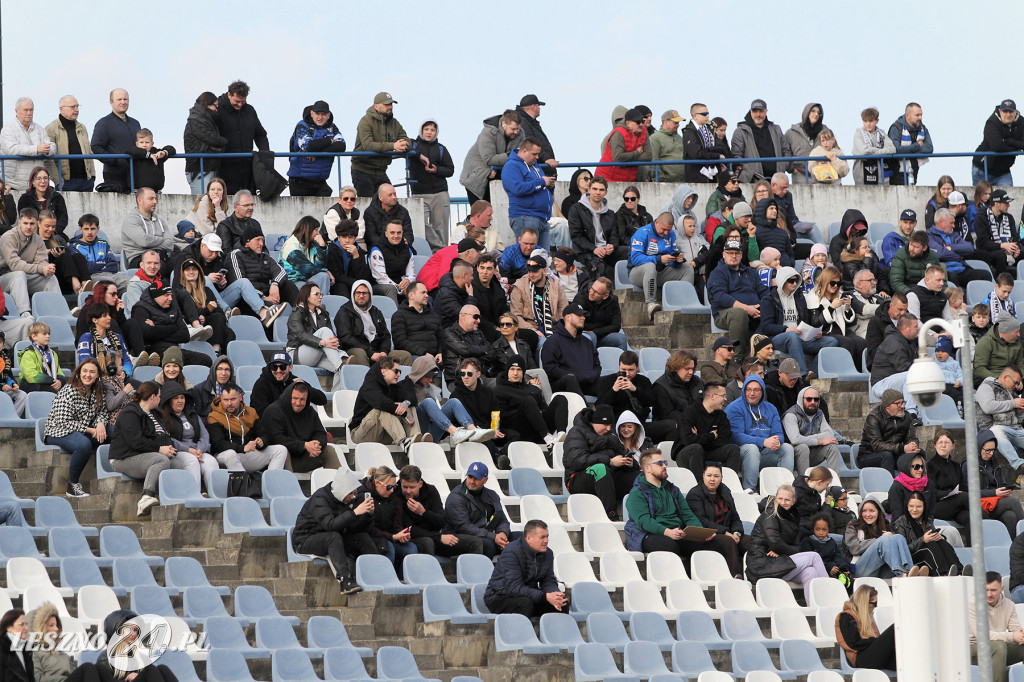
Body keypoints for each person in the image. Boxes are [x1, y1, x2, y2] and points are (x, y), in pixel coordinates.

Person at [624, 449, 718, 558]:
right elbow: (644, 522)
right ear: (647, 468)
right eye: (659, 463)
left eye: (665, 463)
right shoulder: (637, 493)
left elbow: (687, 515)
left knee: (711, 545)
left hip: (676, 532)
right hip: (648, 534)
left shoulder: (673, 490)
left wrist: (700, 533)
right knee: (669, 546)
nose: (664, 466)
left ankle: (693, 569)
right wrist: (668, 532)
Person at [292, 468, 373, 594]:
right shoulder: (320, 498)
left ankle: (376, 574)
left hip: (330, 536)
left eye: (354, 493)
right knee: (333, 537)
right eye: (350, 493)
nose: (353, 497)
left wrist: (367, 515)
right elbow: (330, 525)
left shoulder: (344, 500)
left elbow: (352, 528)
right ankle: (345, 581)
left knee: (362, 537)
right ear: (342, 490)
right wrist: (354, 513)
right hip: (305, 540)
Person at [43, 359, 109, 499]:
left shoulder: (98, 391)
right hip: (58, 431)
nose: (88, 375)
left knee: (114, 432)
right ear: (79, 372)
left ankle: (114, 472)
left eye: (92, 372)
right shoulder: (69, 390)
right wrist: (91, 430)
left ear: (97, 375)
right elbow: (63, 421)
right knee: (83, 444)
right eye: (85, 371)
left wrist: (100, 423)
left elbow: (103, 411)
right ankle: (72, 486)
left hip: (82, 431)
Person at [108, 381, 176, 516]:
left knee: (177, 462)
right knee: (161, 460)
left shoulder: (152, 413)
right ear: (152, 397)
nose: (160, 400)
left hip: (141, 454)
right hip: (122, 458)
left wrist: (166, 447)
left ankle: (178, 496)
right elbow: (136, 442)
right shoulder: (130, 413)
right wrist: (159, 449)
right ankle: (146, 497)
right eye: (159, 396)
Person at [745, 483, 828, 588]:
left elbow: (797, 547)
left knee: (810, 572)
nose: (783, 502)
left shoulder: (792, 517)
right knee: (814, 557)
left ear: (793, 501)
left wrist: (780, 552)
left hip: (781, 562)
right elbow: (775, 543)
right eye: (780, 498)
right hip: (763, 566)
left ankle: (817, 599)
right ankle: (829, 591)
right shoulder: (769, 514)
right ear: (775, 498)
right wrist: (781, 550)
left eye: (787, 500)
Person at [758, 266, 837, 374]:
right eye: (791, 281)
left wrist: (812, 332)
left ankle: (811, 373)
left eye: (796, 280)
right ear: (782, 281)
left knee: (832, 342)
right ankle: (802, 374)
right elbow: (766, 326)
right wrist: (786, 329)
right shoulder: (769, 299)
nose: (794, 283)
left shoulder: (799, 297)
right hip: (778, 338)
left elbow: (805, 321)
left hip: (800, 337)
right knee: (792, 335)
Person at [725, 374, 795, 492]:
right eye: (748, 389)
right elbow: (735, 436)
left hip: (764, 453)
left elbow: (779, 433)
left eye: (756, 390)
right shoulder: (735, 408)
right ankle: (749, 490)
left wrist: (777, 441)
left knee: (787, 448)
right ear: (744, 390)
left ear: (762, 391)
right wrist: (763, 442)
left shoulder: (771, 408)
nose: (752, 393)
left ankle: (785, 490)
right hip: (742, 454)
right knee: (752, 449)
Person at [399, 356, 491, 446]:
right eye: (428, 376)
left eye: (433, 376)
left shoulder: (430, 388)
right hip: (416, 432)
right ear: (419, 373)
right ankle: (455, 432)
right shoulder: (405, 386)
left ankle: (474, 431)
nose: (431, 380)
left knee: (453, 402)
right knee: (428, 402)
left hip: (432, 434)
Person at [484, 519, 565, 617]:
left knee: (562, 605)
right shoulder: (511, 552)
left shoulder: (547, 553)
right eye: (542, 537)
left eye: (547, 536)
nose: (546, 541)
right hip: (499, 596)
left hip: (527, 595)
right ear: (529, 538)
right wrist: (545, 596)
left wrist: (555, 594)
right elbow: (514, 588)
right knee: (525, 604)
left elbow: (548, 580)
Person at [398, 465, 484, 558]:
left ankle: (473, 568)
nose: (408, 491)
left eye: (412, 487)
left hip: (435, 536)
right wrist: (439, 537)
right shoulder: (396, 495)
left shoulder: (430, 491)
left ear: (420, 484)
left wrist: (424, 513)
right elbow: (409, 529)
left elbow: (442, 521)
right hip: (413, 539)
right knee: (427, 542)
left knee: (475, 542)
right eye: (405, 487)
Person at [563, 405, 631, 520]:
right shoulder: (576, 432)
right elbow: (577, 460)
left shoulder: (611, 435)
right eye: (605, 424)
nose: (608, 428)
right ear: (594, 422)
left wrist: (628, 463)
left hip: (607, 478)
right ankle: (611, 514)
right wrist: (610, 461)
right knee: (601, 468)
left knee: (640, 476)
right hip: (576, 479)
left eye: (610, 425)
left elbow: (620, 454)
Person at [686, 462, 750, 579]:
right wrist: (725, 532)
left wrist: (737, 532)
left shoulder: (725, 491)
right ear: (703, 476)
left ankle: (756, 574)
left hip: (728, 533)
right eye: (709, 475)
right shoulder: (695, 494)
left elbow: (735, 516)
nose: (712, 479)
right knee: (728, 541)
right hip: (708, 534)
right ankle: (735, 576)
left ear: (721, 478)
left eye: (716, 476)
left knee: (753, 541)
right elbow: (701, 520)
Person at [260, 381, 341, 472]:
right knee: (282, 451)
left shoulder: (310, 411)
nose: (298, 403)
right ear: (288, 396)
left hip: (303, 458)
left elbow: (320, 433)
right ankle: (286, 481)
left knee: (328, 450)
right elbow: (276, 439)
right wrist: (304, 445)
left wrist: (317, 445)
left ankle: (339, 480)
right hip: (278, 459)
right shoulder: (274, 411)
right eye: (295, 398)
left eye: (302, 399)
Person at [206, 382, 287, 472]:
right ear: (221, 399)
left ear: (240, 397)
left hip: (247, 454)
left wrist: (261, 441)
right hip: (224, 456)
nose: (229, 403)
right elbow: (218, 444)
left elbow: (264, 434)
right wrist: (242, 448)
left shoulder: (251, 412)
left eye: (233, 399)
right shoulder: (214, 416)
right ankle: (243, 480)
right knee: (231, 454)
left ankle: (271, 479)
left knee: (281, 449)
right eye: (226, 400)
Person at [594, 351, 674, 442]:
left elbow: (652, 401)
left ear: (637, 367)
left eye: (631, 370)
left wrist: (635, 390)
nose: (627, 373)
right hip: (616, 427)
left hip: (639, 426)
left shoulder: (643, 381)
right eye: (623, 370)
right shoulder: (606, 381)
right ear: (619, 366)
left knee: (672, 425)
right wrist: (613, 390)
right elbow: (599, 406)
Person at [349, 357, 423, 449]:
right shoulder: (369, 385)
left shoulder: (391, 386)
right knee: (382, 409)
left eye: (400, 372)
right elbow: (381, 402)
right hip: (360, 435)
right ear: (383, 371)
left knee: (407, 406)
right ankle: (403, 441)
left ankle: (414, 439)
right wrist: (404, 414)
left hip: (381, 434)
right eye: (396, 371)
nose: (399, 374)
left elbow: (411, 395)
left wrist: (405, 403)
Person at [131, 284, 212, 368]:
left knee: (206, 360)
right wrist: (174, 327)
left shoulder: (172, 307)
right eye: (166, 295)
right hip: (155, 352)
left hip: (174, 350)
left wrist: (156, 327)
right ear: (156, 296)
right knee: (172, 363)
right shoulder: (141, 308)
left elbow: (185, 335)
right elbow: (148, 333)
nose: (170, 298)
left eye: (171, 295)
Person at [631, 212, 695, 318]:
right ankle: (651, 303)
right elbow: (635, 259)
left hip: (660, 272)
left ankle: (680, 302)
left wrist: (676, 260)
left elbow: (671, 256)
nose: (665, 233)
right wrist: (658, 259)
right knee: (650, 266)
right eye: (663, 229)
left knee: (687, 268)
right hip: (639, 273)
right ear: (657, 222)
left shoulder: (671, 234)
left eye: (668, 230)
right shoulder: (642, 233)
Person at [444, 461, 513, 558]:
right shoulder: (456, 497)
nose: (472, 481)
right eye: (470, 477)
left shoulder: (492, 495)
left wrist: (503, 533)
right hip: (456, 537)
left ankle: (509, 567)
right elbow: (464, 527)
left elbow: (501, 519)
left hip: (484, 535)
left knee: (519, 538)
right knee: (487, 544)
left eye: (477, 478)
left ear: (485, 480)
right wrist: (493, 537)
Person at [450, 358, 518, 457]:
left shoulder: (488, 392)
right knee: (483, 438)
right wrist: (487, 432)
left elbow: (495, 413)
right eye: (462, 374)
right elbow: (459, 423)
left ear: (478, 374)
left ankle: (503, 455)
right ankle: (499, 458)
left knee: (515, 435)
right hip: (472, 433)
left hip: (490, 429)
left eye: (469, 374)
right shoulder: (455, 396)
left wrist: (494, 429)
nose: (465, 377)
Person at [227, 227, 298, 320]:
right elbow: (240, 284)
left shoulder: (265, 257)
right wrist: (264, 298)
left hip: (266, 295)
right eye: (258, 240)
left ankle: (305, 315)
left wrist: (275, 284)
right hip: (247, 301)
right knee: (270, 306)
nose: (261, 244)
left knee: (288, 285)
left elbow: (281, 271)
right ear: (247, 242)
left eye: (262, 240)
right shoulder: (235, 255)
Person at [494, 354, 566, 445]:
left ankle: (560, 434)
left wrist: (538, 412)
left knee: (560, 398)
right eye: (512, 369)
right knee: (528, 401)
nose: (515, 373)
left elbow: (545, 408)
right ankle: (547, 438)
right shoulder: (500, 389)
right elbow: (501, 416)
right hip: (520, 430)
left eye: (519, 370)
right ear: (507, 371)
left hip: (539, 428)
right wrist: (527, 411)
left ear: (523, 372)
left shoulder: (533, 389)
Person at [159, 382, 217, 494]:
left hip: (197, 451)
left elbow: (204, 435)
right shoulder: (163, 417)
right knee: (191, 460)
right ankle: (195, 494)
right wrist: (189, 450)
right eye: (176, 398)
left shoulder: (192, 414)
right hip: (178, 452)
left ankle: (214, 496)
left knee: (211, 461)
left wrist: (199, 450)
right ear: (169, 400)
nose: (180, 401)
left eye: (182, 397)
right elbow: (167, 439)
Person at [0, 209, 60, 317]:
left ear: (37, 224)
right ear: (19, 223)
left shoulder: (38, 240)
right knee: (19, 274)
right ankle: (24, 314)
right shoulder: (8, 237)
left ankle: (58, 311)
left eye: (32, 223)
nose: (28, 227)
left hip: (25, 277)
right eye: (25, 223)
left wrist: (47, 268)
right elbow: (15, 265)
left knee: (50, 278)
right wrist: (41, 268)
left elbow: (42, 262)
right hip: (3, 278)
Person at [213, 81, 269, 194]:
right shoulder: (217, 110)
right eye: (237, 102)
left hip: (247, 167)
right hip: (224, 166)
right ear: (229, 94)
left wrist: (265, 153)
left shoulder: (250, 111)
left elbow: (260, 134)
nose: (240, 105)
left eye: (243, 102)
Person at [351, 92, 411, 197]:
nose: (390, 107)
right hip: (362, 171)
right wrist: (393, 146)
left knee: (390, 199)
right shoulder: (365, 121)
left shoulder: (394, 123)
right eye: (386, 104)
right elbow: (368, 145)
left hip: (381, 172)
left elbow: (407, 140)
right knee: (367, 204)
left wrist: (404, 145)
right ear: (376, 107)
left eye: (391, 104)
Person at [286, 283, 345, 390]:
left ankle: (335, 395)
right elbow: (300, 335)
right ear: (307, 296)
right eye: (317, 294)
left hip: (317, 354)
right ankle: (339, 362)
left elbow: (331, 336)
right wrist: (322, 342)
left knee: (344, 368)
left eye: (321, 294)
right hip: (297, 355)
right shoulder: (296, 312)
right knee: (324, 331)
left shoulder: (323, 314)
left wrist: (335, 342)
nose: (320, 297)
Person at [967, 429, 1024, 539]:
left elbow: (1001, 483)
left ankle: (1013, 546)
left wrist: (1006, 489)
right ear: (979, 448)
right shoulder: (969, 464)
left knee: (1010, 516)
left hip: (995, 502)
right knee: (1014, 502)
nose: (991, 453)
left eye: (993, 450)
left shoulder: (994, 461)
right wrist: (994, 492)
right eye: (987, 450)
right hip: (981, 504)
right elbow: (968, 492)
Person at [408, 119, 454, 253]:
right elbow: (405, 145)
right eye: (426, 129)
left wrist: (436, 170)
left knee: (441, 228)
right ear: (421, 131)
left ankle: (442, 255)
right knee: (421, 224)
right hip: (419, 193)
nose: (429, 132)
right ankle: (439, 249)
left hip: (440, 193)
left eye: (433, 130)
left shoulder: (441, 148)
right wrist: (419, 155)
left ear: (436, 132)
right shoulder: (413, 145)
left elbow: (450, 170)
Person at [969, 572, 1024, 682]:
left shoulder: (1009, 605)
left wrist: (1021, 636)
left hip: (998, 650)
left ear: (1001, 589)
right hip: (973, 651)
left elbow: (1016, 630)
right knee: (999, 646)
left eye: (993, 590)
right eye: (986, 590)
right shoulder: (972, 604)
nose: (989, 594)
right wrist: (1012, 635)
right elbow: (982, 636)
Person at [502, 138, 555, 252]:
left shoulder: (534, 165)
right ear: (524, 151)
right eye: (534, 154)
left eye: (538, 154)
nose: (537, 157)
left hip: (542, 218)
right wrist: (542, 182)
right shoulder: (512, 166)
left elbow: (540, 185)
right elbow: (518, 189)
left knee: (543, 258)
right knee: (528, 257)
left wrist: (549, 186)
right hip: (526, 217)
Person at [891, 491, 962, 575]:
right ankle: (943, 573)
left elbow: (933, 539)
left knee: (942, 543)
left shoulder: (927, 520)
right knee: (930, 545)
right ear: (907, 506)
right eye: (911, 506)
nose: (914, 509)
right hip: (911, 559)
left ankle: (959, 571)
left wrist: (939, 537)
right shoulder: (900, 523)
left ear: (924, 507)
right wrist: (923, 540)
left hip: (928, 554)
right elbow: (903, 550)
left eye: (918, 506)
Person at [286, 100, 346, 197]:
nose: (320, 117)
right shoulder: (302, 126)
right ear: (312, 113)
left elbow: (341, 146)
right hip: (299, 181)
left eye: (323, 114)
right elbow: (309, 146)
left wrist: (317, 153)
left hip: (320, 181)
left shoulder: (332, 127)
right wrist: (329, 141)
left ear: (328, 115)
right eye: (317, 114)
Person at [461, 110, 522, 205]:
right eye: (513, 129)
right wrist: (512, 155)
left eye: (518, 128)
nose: (516, 132)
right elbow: (489, 159)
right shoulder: (488, 132)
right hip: (477, 178)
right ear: (504, 124)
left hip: (498, 175)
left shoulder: (520, 134)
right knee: (482, 212)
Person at [540, 303, 601, 396]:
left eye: (584, 315)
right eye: (579, 315)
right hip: (564, 385)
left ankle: (604, 405)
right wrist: (577, 376)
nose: (583, 318)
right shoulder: (552, 342)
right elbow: (550, 369)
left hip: (587, 383)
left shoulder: (587, 342)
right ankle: (584, 406)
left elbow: (597, 366)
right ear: (568, 317)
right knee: (570, 379)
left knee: (613, 380)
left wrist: (590, 376)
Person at [568, 176, 621, 278]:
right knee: (599, 267)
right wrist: (594, 248)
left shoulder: (610, 213)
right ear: (589, 190)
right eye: (595, 189)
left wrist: (612, 246)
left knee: (631, 252)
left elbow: (614, 235)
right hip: (586, 251)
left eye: (601, 190)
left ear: (606, 192)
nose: (598, 192)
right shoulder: (576, 209)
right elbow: (576, 236)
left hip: (606, 251)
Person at [0, 97, 55, 193]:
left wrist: (47, 150)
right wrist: (37, 149)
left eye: (31, 110)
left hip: (35, 184)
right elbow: (11, 149)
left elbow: (53, 147)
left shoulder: (40, 129)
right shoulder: (8, 129)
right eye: (26, 110)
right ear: (16, 111)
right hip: (13, 184)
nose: (29, 113)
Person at [836, 586, 898, 670]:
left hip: (872, 656)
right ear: (864, 602)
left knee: (903, 659)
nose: (875, 606)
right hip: (860, 659)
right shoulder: (846, 616)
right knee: (895, 628)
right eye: (874, 603)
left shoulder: (867, 617)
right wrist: (874, 641)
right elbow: (853, 643)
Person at [782, 386, 841, 474]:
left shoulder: (819, 413)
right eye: (809, 399)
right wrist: (820, 441)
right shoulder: (790, 415)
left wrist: (805, 438)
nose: (813, 402)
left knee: (832, 446)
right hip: (791, 455)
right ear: (801, 399)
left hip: (812, 453)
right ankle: (804, 480)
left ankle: (834, 481)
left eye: (816, 399)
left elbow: (829, 434)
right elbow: (795, 439)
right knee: (803, 447)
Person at [90, 89, 140, 191]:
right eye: (119, 99)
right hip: (114, 175)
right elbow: (95, 147)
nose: (123, 102)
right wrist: (116, 160)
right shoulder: (104, 123)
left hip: (136, 173)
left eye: (125, 99)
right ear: (111, 102)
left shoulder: (135, 123)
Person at [859, 388, 919, 473]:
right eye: (898, 403)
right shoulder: (874, 417)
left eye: (902, 402)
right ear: (887, 406)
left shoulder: (906, 416)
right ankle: (890, 481)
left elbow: (911, 437)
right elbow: (877, 445)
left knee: (919, 454)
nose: (902, 406)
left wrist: (913, 444)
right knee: (886, 456)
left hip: (894, 454)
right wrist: (902, 448)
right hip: (869, 455)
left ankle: (921, 481)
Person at [731, 99, 791, 183]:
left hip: (776, 182)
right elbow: (736, 156)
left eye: (761, 111)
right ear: (750, 111)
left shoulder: (776, 129)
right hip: (752, 182)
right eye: (755, 111)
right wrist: (750, 172)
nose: (758, 114)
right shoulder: (741, 131)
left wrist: (782, 166)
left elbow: (786, 151)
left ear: (766, 111)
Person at [43, 94, 95, 193]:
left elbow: (89, 152)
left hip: (86, 181)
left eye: (77, 106)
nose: (76, 110)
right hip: (66, 181)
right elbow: (48, 158)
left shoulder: (82, 128)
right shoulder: (51, 129)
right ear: (62, 109)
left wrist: (92, 176)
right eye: (72, 107)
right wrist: (58, 180)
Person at [249, 351, 327, 416]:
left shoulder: (294, 381)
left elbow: (322, 400)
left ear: (290, 367)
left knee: (309, 402)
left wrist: (306, 388)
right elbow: (262, 413)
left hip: (291, 423)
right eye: (274, 367)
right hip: (269, 424)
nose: (278, 370)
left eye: (282, 367)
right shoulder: (261, 384)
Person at [927, 429, 973, 536]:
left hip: (956, 506)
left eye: (947, 442)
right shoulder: (929, 465)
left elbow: (964, 488)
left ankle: (974, 546)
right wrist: (950, 494)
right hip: (937, 506)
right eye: (940, 442)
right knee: (962, 497)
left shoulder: (956, 466)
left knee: (971, 517)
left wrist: (957, 494)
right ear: (935, 445)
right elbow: (931, 492)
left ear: (953, 446)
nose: (943, 445)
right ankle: (989, 516)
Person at [511, 255, 567, 341]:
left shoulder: (556, 286)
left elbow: (564, 311)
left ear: (544, 271)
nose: (531, 275)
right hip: (530, 331)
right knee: (543, 342)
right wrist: (533, 330)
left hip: (554, 329)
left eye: (535, 271)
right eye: (529, 271)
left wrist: (560, 329)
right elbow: (515, 315)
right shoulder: (519, 286)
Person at [928, 209, 988, 288]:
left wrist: (952, 247)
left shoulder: (953, 235)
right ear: (941, 222)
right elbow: (940, 254)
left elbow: (970, 248)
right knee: (953, 278)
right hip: (945, 271)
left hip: (961, 269)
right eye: (951, 223)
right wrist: (960, 256)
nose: (954, 226)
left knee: (985, 275)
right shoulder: (929, 236)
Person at [37, 210, 89, 297]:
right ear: (39, 223)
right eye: (47, 226)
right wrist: (47, 254)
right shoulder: (33, 241)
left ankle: (85, 284)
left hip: (65, 279)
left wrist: (60, 253)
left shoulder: (58, 240)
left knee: (78, 256)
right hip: (49, 279)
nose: (51, 229)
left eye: (53, 226)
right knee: (64, 257)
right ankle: (77, 287)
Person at [182, 92, 226, 194]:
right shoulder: (196, 120)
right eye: (215, 106)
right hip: (199, 170)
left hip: (208, 168)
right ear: (207, 104)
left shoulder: (205, 120)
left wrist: (218, 146)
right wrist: (222, 142)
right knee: (203, 201)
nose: (217, 109)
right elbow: (214, 139)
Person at [69, 214, 127, 291]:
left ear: (98, 229)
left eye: (93, 229)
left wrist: (94, 265)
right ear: (81, 229)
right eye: (86, 229)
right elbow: (85, 269)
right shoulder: (74, 247)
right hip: (90, 278)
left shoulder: (103, 244)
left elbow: (114, 266)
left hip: (110, 275)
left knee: (133, 283)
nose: (90, 232)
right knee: (110, 284)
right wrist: (103, 263)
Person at [973, 99, 1024, 186]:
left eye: (1011, 112)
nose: (1008, 115)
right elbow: (997, 146)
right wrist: (1016, 148)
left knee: (1007, 194)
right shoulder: (992, 122)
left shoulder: (1021, 122)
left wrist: (1010, 141)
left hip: (1003, 172)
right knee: (982, 195)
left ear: (1016, 112)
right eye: (1005, 111)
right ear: (1000, 111)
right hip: (982, 169)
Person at [439, 304, 491, 387]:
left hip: (481, 375)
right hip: (458, 378)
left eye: (479, 318)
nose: (479, 321)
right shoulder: (449, 333)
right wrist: (482, 352)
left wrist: (471, 355)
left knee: (501, 386)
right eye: (476, 317)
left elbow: (490, 351)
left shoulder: (479, 333)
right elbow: (465, 350)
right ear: (463, 316)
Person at [595, 107, 650, 183]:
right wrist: (637, 153)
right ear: (628, 122)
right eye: (637, 122)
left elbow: (648, 156)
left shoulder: (643, 132)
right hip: (607, 179)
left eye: (642, 121)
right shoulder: (616, 134)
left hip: (629, 180)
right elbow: (618, 158)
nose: (641, 124)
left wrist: (626, 161)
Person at [121, 187, 173, 268]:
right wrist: (161, 240)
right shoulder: (131, 220)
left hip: (160, 256)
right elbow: (144, 241)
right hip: (138, 259)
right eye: (151, 199)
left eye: (155, 198)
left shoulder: (160, 221)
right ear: (140, 200)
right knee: (159, 266)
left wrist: (149, 244)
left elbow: (170, 244)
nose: (155, 202)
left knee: (182, 264)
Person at [280, 216, 331, 296]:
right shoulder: (291, 246)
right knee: (311, 286)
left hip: (307, 279)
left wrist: (322, 246)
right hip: (293, 282)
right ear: (308, 230)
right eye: (316, 230)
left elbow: (320, 265)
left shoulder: (311, 243)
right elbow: (306, 269)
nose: (318, 233)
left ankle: (321, 302)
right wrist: (325, 271)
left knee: (323, 276)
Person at [975, 189, 1021, 276]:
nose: (1009, 205)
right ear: (996, 204)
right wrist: (1002, 245)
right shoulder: (981, 217)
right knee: (1000, 255)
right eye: (1006, 203)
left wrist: (1016, 249)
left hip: (1008, 251)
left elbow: (1015, 237)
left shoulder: (1009, 217)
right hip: (988, 252)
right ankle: (1002, 282)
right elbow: (983, 242)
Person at [653, 351, 705, 428]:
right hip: (674, 428)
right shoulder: (660, 386)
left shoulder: (697, 382)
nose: (691, 372)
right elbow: (667, 414)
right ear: (676, 368)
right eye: (687, 369)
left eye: (692, 368)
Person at [417, 235, 484, 294]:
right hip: (429, 289)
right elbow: (442, 278)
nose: (479, 254)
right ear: (468, 253)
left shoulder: (457, 253)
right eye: (477, 251)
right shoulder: (452, 253)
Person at [682, 105, 731, 184]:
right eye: (704, 114)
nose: (707, 116)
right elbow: (696, 154)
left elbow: (722, 147)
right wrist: (717, 156)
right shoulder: (688, 132)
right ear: (694, 115)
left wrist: (706, 150)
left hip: (715, 176)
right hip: (697, 177)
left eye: (708, 113)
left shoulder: (710, 128)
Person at [369, 220, 416, 304]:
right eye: (392, 232)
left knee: (418, 287)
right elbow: (380, 277)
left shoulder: (408, 250)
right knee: (391, 289)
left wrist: (408, 281)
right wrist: (400, 289)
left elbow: (411, 274)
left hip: (400, 284)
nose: (396, 236)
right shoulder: (376, 250)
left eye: (399, 233)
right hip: (378, 285)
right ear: (386, 234)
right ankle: (395, 312)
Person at [887, 102, 933, 186]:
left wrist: (907, 151)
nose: (920, 118)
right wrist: (917, 146)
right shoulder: (896, 128)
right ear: (908, 116)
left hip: (914, 170)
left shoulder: (922, 128)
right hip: (897, 172)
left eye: (921, 115)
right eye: (917, 115)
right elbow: (896, 150)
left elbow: (929, 148)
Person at [801, 512, 852, 588]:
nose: (821, 533)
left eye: (824, 530)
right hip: (817, 572)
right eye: (817, 529)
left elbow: (837, 556)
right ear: (813, 529)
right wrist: (829, 567)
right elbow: (811, 561)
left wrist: (843, 567)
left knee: (849, 582)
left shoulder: (831, 542)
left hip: (833, 570)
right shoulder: (807, 541)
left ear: (828, 530)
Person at [783, 103, 830, 184]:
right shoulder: (791, 133)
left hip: (822, 174)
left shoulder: (825, 132)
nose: (816, 114)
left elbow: (834, 148)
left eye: (818, 113)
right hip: (800, 175)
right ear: (806, 112)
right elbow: (785, 152)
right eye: (813, 111)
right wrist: (792, 169)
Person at [17, 166, 68, 237]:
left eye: (45, 178)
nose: (42, 181)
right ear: (33, 181)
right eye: (38, 179)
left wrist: (51, 232)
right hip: (32, 235)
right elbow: (25, 220)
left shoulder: (57, 197)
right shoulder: (25, 199)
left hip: (54, 234)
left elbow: (63, 220)